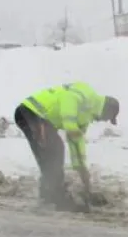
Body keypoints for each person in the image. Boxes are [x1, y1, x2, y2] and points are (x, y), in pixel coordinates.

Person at [13, 82, 120, 212]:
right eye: (108, 118)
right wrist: (70, 126)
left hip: (38, 118)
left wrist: (81, 167)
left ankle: (48, 196)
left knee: (52, 152)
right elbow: (69, 98)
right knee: (54, 150)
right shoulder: (87, 96)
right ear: (106, 111)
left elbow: (76, 140)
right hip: (32, 112)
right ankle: (56, 197)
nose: (105, 121)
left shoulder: (85, 118)